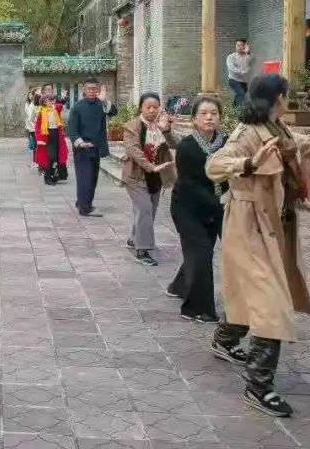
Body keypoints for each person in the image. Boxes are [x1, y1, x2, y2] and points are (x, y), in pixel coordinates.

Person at [205, 74, 310, 418]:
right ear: (279, 97)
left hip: (276, 226)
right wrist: (249, 163)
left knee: (250, 296)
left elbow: (309, 146)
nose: (289, 100)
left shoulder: (278, 131)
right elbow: (214, 164)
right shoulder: (248, 133)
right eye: (287, 95)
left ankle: (224, 339)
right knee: (270, 304)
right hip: (249, 226)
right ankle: (258, 386)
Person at [167, 95, 228, 322]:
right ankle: (198, 309)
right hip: (188, 208)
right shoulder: (187, 147)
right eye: (204, 113)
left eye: (214, 113)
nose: (209, 117)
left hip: (219, 207)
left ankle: (179, 285)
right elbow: (189, 185)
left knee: (200, 253)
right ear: (193, 119)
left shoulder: (226, 144)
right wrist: (220, 202)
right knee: (201, 252)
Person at [121, 92, 176, 266]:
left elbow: (173, 145)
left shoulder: (161, 126)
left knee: (149, 211)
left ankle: (134, 238)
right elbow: (133, 150)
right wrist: (150, 166)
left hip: (156, 177)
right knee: (144, 209)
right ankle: (142, 249)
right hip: (136, 176)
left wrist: (166, 130)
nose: (152, 110)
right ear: (141, 108)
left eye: (155, 107)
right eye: (148, 107)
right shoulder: (132, 126)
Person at [67, 77, 118, 217]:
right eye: (89, 89)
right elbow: (72, 129)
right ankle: (85, 208)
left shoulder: (100, 104)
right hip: (83, 148)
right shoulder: (78, 107)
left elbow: (114, 112)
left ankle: (82, 202)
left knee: (93, 178)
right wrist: (80, 142)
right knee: (85, 178)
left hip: (96, 147)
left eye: (95, 89)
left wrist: (104, 100)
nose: (92, 92)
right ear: (84, 89)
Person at [34, 94, 68, 186]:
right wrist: (38, 139)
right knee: (51, 157)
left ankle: (55, 175)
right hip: (47, 135)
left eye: (53, 100)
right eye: (51, 100)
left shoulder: (56, 108)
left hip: (57, 134)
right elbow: (37, 127)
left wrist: (63, 97)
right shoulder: (41, 112)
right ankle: (47, 177)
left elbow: (61, 104)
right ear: (45, 102)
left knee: (58, 156)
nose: (53, 101)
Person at [226, 39, 253, 108]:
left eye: (242, 45)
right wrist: (241, 71)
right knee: (240, 93)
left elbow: (253, 62)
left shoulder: (248, 56)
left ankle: (232, 110)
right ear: (235, 46)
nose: (239, 47)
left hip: (244, 81)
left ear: (245, 46)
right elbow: (231, 68)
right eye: (238, 45)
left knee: (244, 95)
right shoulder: (231, 57)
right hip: (233, 80)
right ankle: (241, 113)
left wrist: (248, 53)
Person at [25, 89, 38, 156]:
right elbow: (30, 117)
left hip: (33, 125)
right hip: (32, 125)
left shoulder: (35, 105)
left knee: (35, 142)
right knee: (33, 141)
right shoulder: (29, 105)